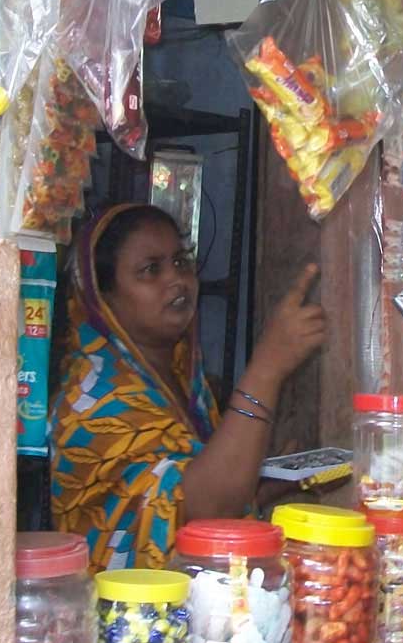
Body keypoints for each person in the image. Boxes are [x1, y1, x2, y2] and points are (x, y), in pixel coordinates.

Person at [50, 204, 326, 571]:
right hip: (128, 606)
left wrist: (259, 488)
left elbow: (189, 496)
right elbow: (203, 509)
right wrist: (267, 369)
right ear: (104, 297)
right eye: (151, 270)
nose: (176, 279)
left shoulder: (180, 377)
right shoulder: (93, 402)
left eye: (181, 262)